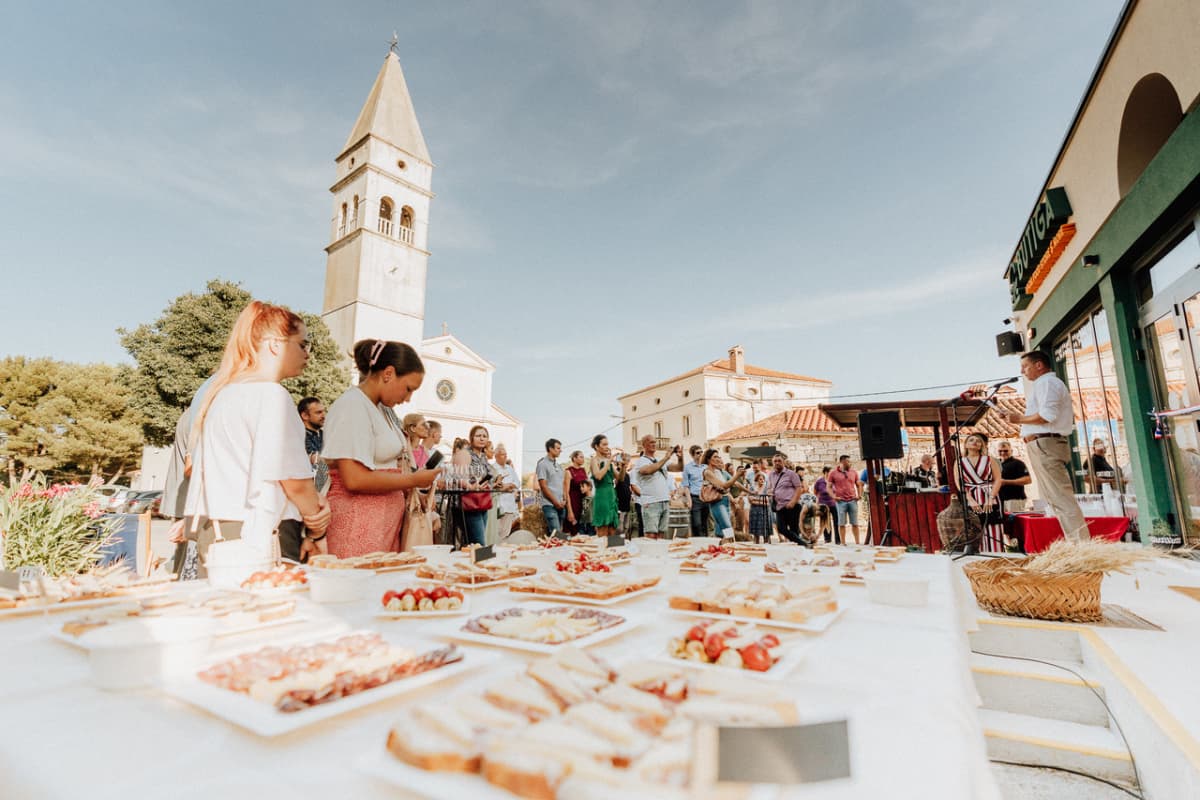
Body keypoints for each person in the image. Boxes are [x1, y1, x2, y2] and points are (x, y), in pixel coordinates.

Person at [182, 301, 330, 575]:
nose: (308, 353)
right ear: (275, 344)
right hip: (259, 533)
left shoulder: (223, 394)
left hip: (219, 530)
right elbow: (295, 482)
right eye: (303, 344)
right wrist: (317, 525)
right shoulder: (271, 396)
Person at [321, 340, 440, 557]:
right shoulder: (353, 405)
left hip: (381, 526)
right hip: (358, 526)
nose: (408, 398)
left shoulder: (382, 409)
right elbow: (354, 478)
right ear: (388, 374)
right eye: (408, 389)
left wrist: (411, 491)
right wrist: (413, 480)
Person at [1006, 350, 1090, 542]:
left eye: (1025, 366)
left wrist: (1019, 419)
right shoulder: (1044, 384)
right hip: (1042, 443)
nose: (1022, 371)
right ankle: (1077, 543)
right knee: (1055, 498)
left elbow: (1047, 416)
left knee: (1061, 497)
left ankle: (1082, 545)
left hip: (1046, 443)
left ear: (1039, 365)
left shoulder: (1047, 383)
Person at [632, 435, 684, 539]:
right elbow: (647, 470)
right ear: (644, 445)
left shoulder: (660, 460)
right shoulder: (641, 461)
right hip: (651, 502)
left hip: (664, 501)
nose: (654, 444)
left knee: (661, 535)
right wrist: (666, 457)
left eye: (654, 442)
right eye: (651, 442)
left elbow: (679, 468)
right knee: (651, 535)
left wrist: (680, 458)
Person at [460, 425, 497, 546]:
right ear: (471, 438)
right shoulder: (465, 454)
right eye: (478, 436)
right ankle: (481, 558)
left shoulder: (483, 457)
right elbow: (458, 477)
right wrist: (471, 485)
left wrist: (493, 483)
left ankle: (475, 557)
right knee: (479, 543)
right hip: (470, 502)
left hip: (483, 502)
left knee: (475, 543)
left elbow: (488, 478)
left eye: (484, 436)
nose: (482, 438)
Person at [701, 449, 746, 537]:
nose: (718, 459)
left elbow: (726, 487)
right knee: (727, 526)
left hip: (725, 500)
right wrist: (737, 475)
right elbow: (724, 486)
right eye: (715, 457)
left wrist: (750, 491)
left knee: (720, 529)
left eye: (718, 456)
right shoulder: (707, 472)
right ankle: (730, 542)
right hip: (717, 501)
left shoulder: (717, 471)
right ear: (708, 459)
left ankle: (722, 544)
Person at [767, 454, 805, 545]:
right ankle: (803, 543)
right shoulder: (771, 475)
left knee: (794, 529)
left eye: (779, 461)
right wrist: (770, 492)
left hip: (792, 506)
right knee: (781, 528)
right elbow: (770, 488)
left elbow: (799, 488)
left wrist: (793, 502)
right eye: (775, 461)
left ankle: (798, 548)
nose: (777, 463)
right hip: (779, 506)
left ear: (783, 462)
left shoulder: (791, 474)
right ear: (772, 463)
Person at [589, 435, 622, 539]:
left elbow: (620, 478)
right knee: (603, 532)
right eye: (604, 444)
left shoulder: (608, 462)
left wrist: (624, 466)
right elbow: (598, 476)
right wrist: (608, 461)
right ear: (596, 446)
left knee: (613, 532)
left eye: (607, 444)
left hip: (612, 497)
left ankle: (612, 548)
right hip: (602, 497)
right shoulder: (594, 460)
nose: (607, 447)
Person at [829, 455, 863, 544]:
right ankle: (843, 543)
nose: (850, 463)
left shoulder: (853, 472)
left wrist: (859, 495)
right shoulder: (833, 473)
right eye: (848, 461)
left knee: (855, 523)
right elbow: (828, 487)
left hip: (852, 500)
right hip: (840, 501)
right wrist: (833, 496)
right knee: (841, 523)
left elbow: (858, 485)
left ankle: (857, 543)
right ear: (842, 462)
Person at [536, 439, 567, 536]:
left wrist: (564, 499)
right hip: (550, 505)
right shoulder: (542, 464)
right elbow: (543, 486)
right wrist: (555, 502)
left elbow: (562, 484)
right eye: (558, 448)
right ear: (550, 448)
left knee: (559, 535)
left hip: (561, 505)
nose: (560, 450)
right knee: (556, 534)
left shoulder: (559, 466)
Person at [492, 443, 521, 541]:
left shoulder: (510, 468)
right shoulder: (493, 468)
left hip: (509, 505)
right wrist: (505, 487)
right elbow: (494, 486)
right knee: (496, 532)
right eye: (502, 454)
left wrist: (508, 485)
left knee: (506, 534)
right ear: (496, 456)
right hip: (498, 505)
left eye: (506, 454)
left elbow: (517, 483)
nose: (505, 456)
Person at [681, 445, 711, 536]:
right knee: (696, 524)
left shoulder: (706, 467)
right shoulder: (687, 467)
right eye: (698, 453)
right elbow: (686, 486)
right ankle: (697, 541)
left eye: (701, 452)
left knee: (705, 524)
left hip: (706, 498)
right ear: (692, 455)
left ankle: (705, 542)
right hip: (695, 498)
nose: (700, 454)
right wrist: (689, 500)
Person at [812, 466, 839, 543]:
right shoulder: (819, 481)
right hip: (823, 505)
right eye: (830, 472)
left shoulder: (834, 481)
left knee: (837, 521)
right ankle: (827, 539)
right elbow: (815, 492)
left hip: (833, 503)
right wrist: (819, 499)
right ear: (826, 472)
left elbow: (837, 490)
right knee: (825, 522)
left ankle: (838, 539)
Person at [747, 471, 772, 543]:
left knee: (765, 530)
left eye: (763, 479)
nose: (762, 480)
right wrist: (761, 500)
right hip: (754, 510)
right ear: (757, 480)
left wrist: (755, 499)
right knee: (755, 531)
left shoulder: (767, 488)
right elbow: (750, 500)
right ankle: (756, 543)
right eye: (760, 479)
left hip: (765, 511)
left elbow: (767, 502)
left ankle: (767, 543)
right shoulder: (752, 488)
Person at [614, 453, 634, 536]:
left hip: (627, 505)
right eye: (625, 460)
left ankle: (624, 542)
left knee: (626, 528)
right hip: (619, 506)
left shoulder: (628, 475)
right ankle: (616, 543)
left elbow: (628, 487)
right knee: (619, 528)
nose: (627, 462)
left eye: (628, 461)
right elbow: (616, 483)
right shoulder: (616, 472)